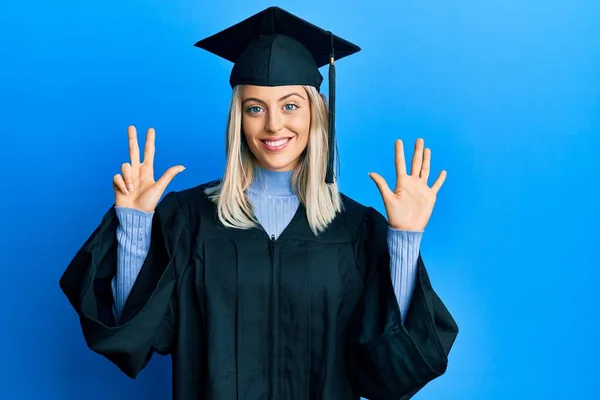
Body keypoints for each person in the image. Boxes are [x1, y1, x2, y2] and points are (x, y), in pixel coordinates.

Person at [59, 6, 458, 400]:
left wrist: (405, 240)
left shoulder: (355, 229)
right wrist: (134, 225)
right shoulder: (188, 219)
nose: (273, 125)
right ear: (239, 119)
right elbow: (135, 336)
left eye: (290, 106)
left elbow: (391, 370)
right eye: (255, 108)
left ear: (316, 114)